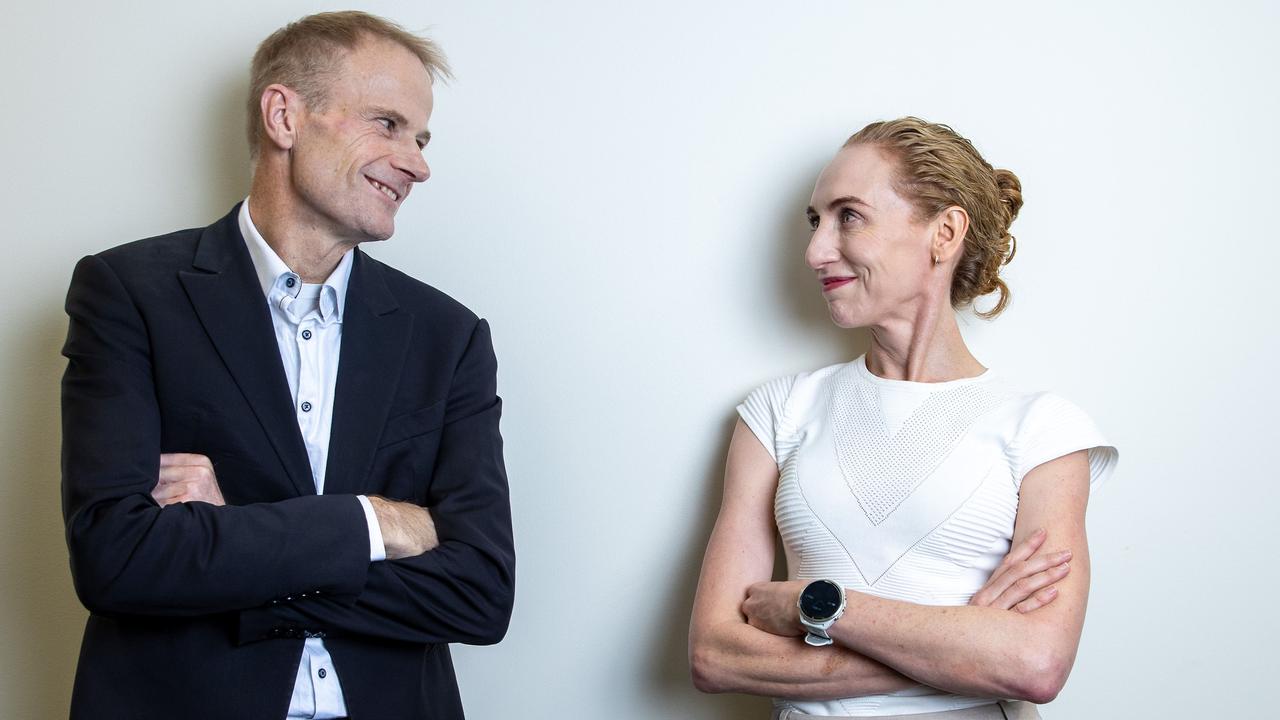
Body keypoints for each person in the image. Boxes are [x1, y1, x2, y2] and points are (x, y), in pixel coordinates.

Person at [59, 11, 513, 719]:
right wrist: (374, 522)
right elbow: (116, 559)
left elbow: (480, 593)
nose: (419, 163)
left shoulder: (447, 337)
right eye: (388, 124)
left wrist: (233, 536)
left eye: (421, 139)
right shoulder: (128, 293)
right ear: (284, 117)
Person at [689, 117, 1117, 719]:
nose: (815, 250)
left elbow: (1036, 665)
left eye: (849, 216)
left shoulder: (1044, 429)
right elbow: (715, 655)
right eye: (815, 220)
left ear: (944, 232)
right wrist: (966, 649)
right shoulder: (778, 411)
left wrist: (821, 606)